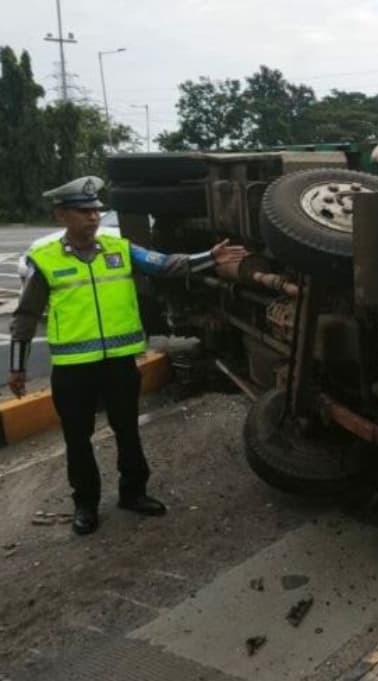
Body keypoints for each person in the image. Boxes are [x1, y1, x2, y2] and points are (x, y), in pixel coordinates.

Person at [6, 176, 247, 536]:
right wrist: (17, 367)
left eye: (96, 210)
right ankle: (85, 505)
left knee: (127, 431)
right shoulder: (44, 261)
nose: (93, 217)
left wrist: (209, 258)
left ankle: (133, 493)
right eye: (84, 211)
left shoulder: (120, 248)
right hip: (73, 369)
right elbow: (25, 317)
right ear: (61, 215)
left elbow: (165, 264)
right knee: (78, 439)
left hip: (119, 362)